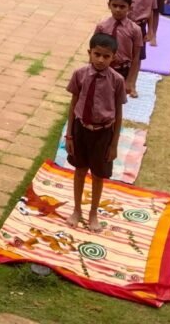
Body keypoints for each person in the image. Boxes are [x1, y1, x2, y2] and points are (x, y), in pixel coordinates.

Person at [65, 32, 126, 232]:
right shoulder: (80, 74)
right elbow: (73, 104)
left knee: (98, 175)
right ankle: (77, 210)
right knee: (80, 170)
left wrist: (114, 144)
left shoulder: (117, 80)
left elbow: (118, 112)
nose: (100, 60)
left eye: (106, 56)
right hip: (81, 130)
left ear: (113, 57)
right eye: (97, 54)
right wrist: (69, 135)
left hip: (103, 133)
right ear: (89, 53)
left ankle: (93, 213)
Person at [94, 0, 143, 97]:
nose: (117, 9)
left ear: (130, 8)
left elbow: (136, 57)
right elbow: (94, 50)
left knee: (117, 100)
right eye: (114, 5)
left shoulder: (135, 30)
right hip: (103, 67)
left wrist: (130, 81)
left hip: (122, 70)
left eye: (122, 7)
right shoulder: (102, 26)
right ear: (109, 5)